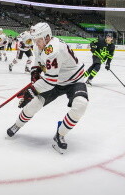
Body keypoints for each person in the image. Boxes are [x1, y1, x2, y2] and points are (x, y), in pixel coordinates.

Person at [6, 22, 87, 154]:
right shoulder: (41, 45)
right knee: (34, 104)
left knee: (81, 105)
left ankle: (60, 134)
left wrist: (31, 90)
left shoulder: (53, 50)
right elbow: (38, 62)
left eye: (38, 40)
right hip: (56, 80)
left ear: (47, 37)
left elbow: (49, 81)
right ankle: (17, 125)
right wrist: (35, 72)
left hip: (74, 80)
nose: (35, 43)